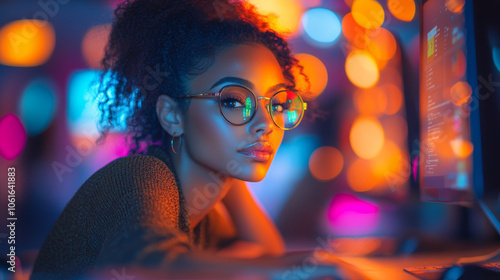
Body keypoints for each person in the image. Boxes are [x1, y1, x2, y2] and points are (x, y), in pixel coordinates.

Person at [30, 0, 367, 279]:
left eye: (278, 103)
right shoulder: (142, 176)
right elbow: (145, 267)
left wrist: (231, 172)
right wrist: (307, 271)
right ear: (173, 116)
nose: (266, 123)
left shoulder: (209, 206)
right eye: (233, 101)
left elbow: (267, 251)